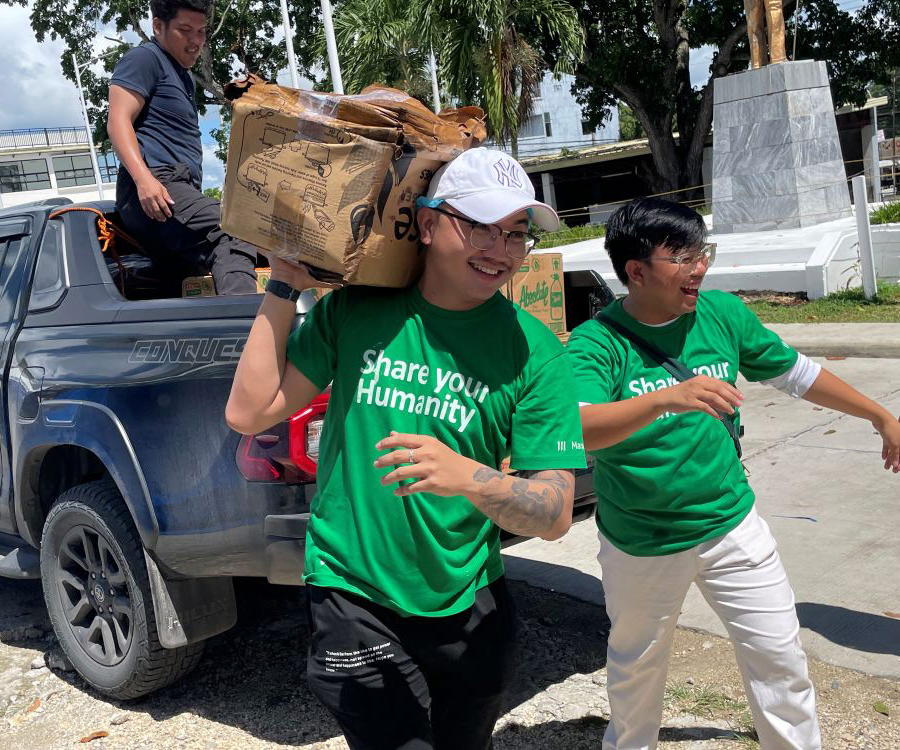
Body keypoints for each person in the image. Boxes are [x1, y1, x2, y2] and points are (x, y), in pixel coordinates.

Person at [225, 147, 588, 749]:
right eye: (480, 226)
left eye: (516, 234)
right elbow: (248, 410)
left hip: (469, 600)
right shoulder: (357, 311)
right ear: (425, 223)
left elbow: (553, 513)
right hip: (352, 591)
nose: (500, 250)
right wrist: (284, 284)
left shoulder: (536, 354)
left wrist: (468, 477)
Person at [564, 197, 900, 750]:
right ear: (636, 271)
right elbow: (581, 427)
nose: (699, 268)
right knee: (636, 671)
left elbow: (799, 374)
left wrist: (879, 415)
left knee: (780, 660)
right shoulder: (597, 343)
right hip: (642, 543)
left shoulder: (722, 314)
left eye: (702, 252)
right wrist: (666, 399)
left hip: (732, 525)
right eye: (682, 256)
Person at [107, 0, 258, 294]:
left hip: (174, 189)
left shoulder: (183, 76)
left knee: (190, 272)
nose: (196, 41)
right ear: (157, 26)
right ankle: (247, 329)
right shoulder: (145, 59)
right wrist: (144, 179)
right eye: (185, 30)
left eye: (202, 32)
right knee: (233, 228)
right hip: (155, 185)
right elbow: (117, 121)